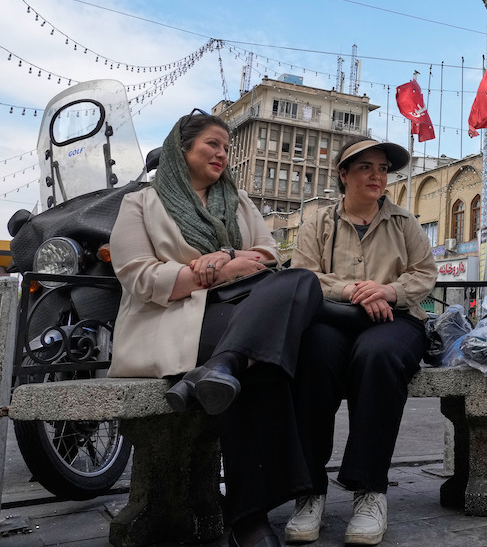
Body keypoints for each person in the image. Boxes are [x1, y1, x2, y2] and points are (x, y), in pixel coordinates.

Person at [108, 111, 323, 547]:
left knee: (301, 280)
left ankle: (221, 367)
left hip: (243, 309)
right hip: (173, 318)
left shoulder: (239, 202)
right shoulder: (141, 203)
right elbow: (140, 277)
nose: (222, 154)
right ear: (182, 148)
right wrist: (216, 272)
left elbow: (266, 255)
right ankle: (250, 517)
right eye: (213, 144)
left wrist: (225, 258)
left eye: (226, 147)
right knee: (261, 363)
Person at [288, 136, 436, 546]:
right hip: (333, 318)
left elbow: (424, 274)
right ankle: (309, 490)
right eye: (366, 167)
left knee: (378, 356)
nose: (376, 176)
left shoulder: (404, 222)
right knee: (312, 357)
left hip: (395, 319)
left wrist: (387, 292)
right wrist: (353, 290)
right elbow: (304, 275)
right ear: (344, 174)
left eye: (383, 169)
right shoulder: (317, 222)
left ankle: (370, 490)